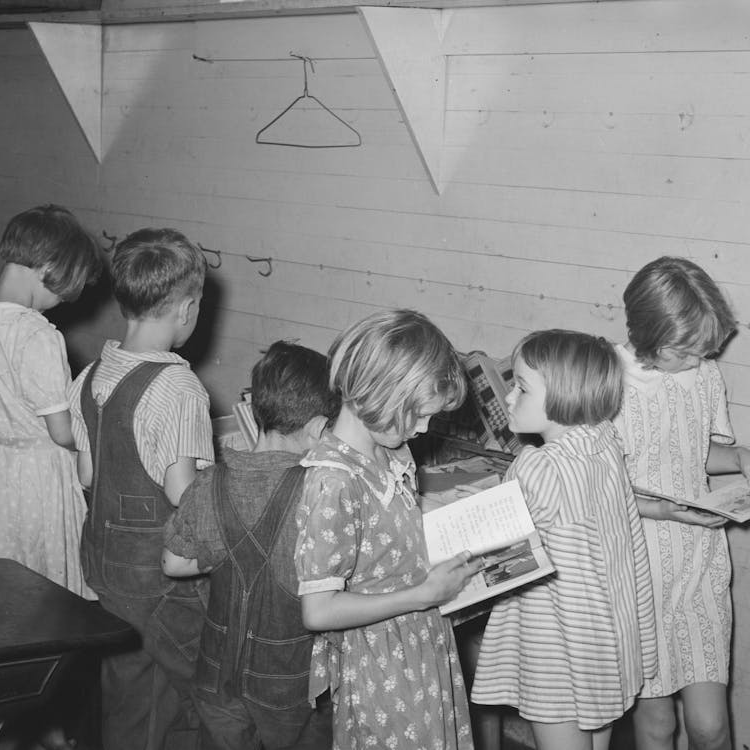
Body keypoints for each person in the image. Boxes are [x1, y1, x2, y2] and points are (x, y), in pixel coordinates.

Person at [294, 308, 483, 750]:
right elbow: (318, 611)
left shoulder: (393, 453)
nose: (423, 428)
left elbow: (392, 549)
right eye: (418, 414)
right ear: (380, 393)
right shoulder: (333, 481)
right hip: (380, 666)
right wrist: (422, 595)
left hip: (421, 645)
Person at [614, 256, 750, 750]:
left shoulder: (703, 377)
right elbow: (595, 480)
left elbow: (693, 450)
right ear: (650, 335)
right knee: (658, 726)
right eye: (685, 352)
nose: (697, 361)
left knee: (710, 726)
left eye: (703, 351)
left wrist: (741, 455)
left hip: (699, 560)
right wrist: (660, 510)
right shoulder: (605, 379)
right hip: (637, 563)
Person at [470, 330, 657, 750]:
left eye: (521, 387)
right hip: (604, 645)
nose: (508, 398)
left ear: (565, 394)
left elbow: (501, 560)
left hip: (556, 648)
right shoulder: (605, 444)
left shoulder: (537, 466)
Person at [68, 227, 215, 750]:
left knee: (126, 688)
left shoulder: (89, 376)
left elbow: (87, 476)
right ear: (188, 309)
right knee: (177, 700)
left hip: (105, 567)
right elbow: (183, 492)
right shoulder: (177, 385)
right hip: (160, 580)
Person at [161, 340, 341, 750]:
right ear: (316, 428)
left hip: (215, 676)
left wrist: (222, 548)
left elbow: (173, 562)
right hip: (291, 684)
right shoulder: (318, 492)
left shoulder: (210, 483)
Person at [0, 204, 102, 597]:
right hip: (39, 478)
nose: (59, 302)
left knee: (1, 578)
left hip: (1, 471)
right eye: (62, 291)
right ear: (47, 267)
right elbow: (61, 432)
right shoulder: (35, 333)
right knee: (44, 585)